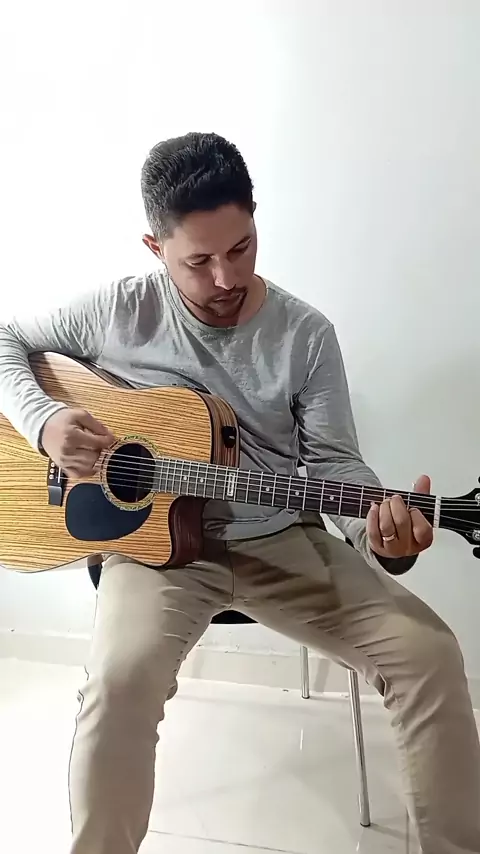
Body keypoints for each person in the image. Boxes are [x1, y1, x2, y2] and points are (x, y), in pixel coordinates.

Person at [0, 132, 478, 854]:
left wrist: (385, 541)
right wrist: (44, 422)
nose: (226, 278)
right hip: (156, 553)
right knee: (117, 684)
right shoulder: (117, 310)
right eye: (199, 261)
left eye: (242, 248)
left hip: (283, 540)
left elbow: (337, 466)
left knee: (430, 655)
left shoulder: (305, 334)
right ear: (155, 248)